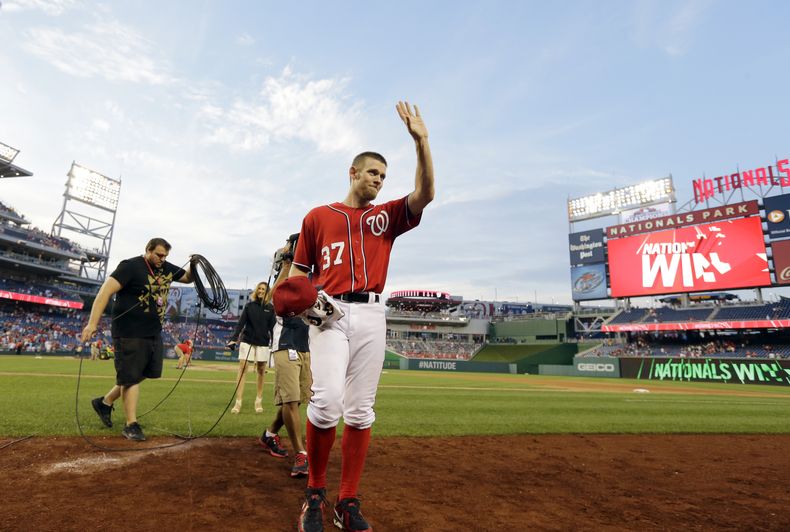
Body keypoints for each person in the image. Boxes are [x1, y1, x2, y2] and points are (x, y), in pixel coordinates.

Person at [289, 101, 434, 532]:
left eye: (384, 176)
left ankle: (346, 501)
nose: (379, 180)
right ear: (353, 173)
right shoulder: (318, 217)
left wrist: (421, 142)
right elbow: (298, 275)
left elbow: (425, 195)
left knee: (361, 411)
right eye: (373, 173)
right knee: (328, 400)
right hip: (330, 313)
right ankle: (315, 492)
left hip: (372, 312)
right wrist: (296, 299)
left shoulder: (385, 218)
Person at [80, 237, 193, 441]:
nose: (162, 259)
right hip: (128, 331)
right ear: (148, 250)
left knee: (142, 373)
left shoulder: (166, 267)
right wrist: (92, 323)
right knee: (131, 376)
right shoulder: (130, 266)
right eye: (158, 255)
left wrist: (194, 264)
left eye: (165, 256)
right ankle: (131, 424)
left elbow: (187, 278)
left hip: (153, 331)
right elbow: (104, 292)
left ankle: (104, 402)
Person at [259, 242, 314, 478]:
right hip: (285, 344)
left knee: (297, 400)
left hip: (306, 345)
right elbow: (273, 299)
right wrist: (285, 264)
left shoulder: (311, 272)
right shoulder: (286, 271)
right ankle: (301, 454)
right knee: (291, 401)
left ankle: (270, 434)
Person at [226, 281, 276, 414]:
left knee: (261, 370)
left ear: (267, 292)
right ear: (256, 290)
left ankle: (258, 400)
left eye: (263, 289)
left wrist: (276, 345)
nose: (260, 291)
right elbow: (240, 324)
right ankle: (238, 402)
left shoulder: (270, 308)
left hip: (263, 342)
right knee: (242, 367)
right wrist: (233, 339)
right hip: (247, 340)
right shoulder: (249, 306)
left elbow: (272, 329)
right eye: (259, 288)